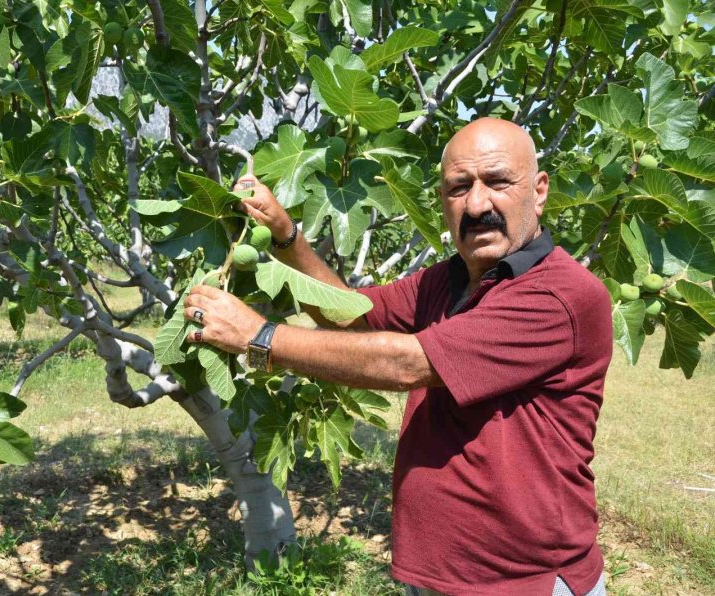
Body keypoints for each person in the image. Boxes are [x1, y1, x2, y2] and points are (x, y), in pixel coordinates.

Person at [182, 118, 612, 596]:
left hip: (520, 583)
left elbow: (408, 363)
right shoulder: (445, 281)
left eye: (497, 182)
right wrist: (285, 237)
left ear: (539, 190)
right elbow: (352, 315)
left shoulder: (560, 296)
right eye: (458, 187)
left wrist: (258, 336)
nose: (476, 204)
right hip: (435, 575)